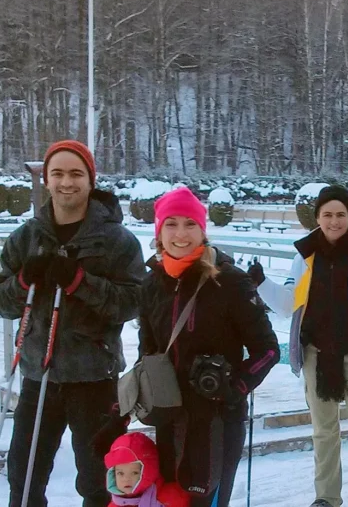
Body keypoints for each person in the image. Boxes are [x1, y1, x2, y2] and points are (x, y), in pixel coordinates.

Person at [97, 187, 280, 507]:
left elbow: (267, 350)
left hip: (217, 422)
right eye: (171, 224)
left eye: (190, 224)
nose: (181, 234)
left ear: (202, 230)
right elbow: (147, 359)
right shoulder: (151, 286)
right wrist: (119, 414)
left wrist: (234, 386)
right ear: (158, 232)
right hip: (169, 419)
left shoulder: (230, 282)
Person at [0, 139, 146, 507]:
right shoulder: (26, 237)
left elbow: (133, 302)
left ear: (90, 181)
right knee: (24, 477)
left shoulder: (116, 240)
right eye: (57, 173)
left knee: (98, 481)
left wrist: (80, 282)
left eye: (76, 174)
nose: (66, 182)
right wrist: (23, 282)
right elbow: (0, 302)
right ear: (46, 179)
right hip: (38, 375)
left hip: (94, 377)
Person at [248, 185, 348, 507]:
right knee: (323, 433)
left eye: (341, 214)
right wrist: (261, 282)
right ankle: (327, 498)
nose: (334, 221)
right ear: (317, 217)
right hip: (316, 355)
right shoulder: (304, 257)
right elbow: (288, 305)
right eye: (328, 214)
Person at [104, 433, 189, 507]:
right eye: (120, 473)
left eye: (134, 473)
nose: (126, 479)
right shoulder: (114, 505)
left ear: (148, 472)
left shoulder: (172, 496)